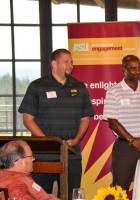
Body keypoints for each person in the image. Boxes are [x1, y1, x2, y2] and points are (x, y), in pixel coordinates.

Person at [18, 48, 95, 199]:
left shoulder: (80, 87)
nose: (70, 65)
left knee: (70, 195)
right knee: (40, 196)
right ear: (54, 63)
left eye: (72, 62)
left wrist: (77, 140)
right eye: (66, 62)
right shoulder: (37, 86)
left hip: (71, 154)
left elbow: (85, 118)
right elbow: (27, 119)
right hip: (43, 155)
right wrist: (49, 143)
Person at [103, 55, 140, 193]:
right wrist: (131, 140)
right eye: (133, 68)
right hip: (124, 147)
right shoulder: (113, 91)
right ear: (124, 69)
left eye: (139, 68)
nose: (137, 72)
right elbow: (112, 122)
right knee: (119, 189)